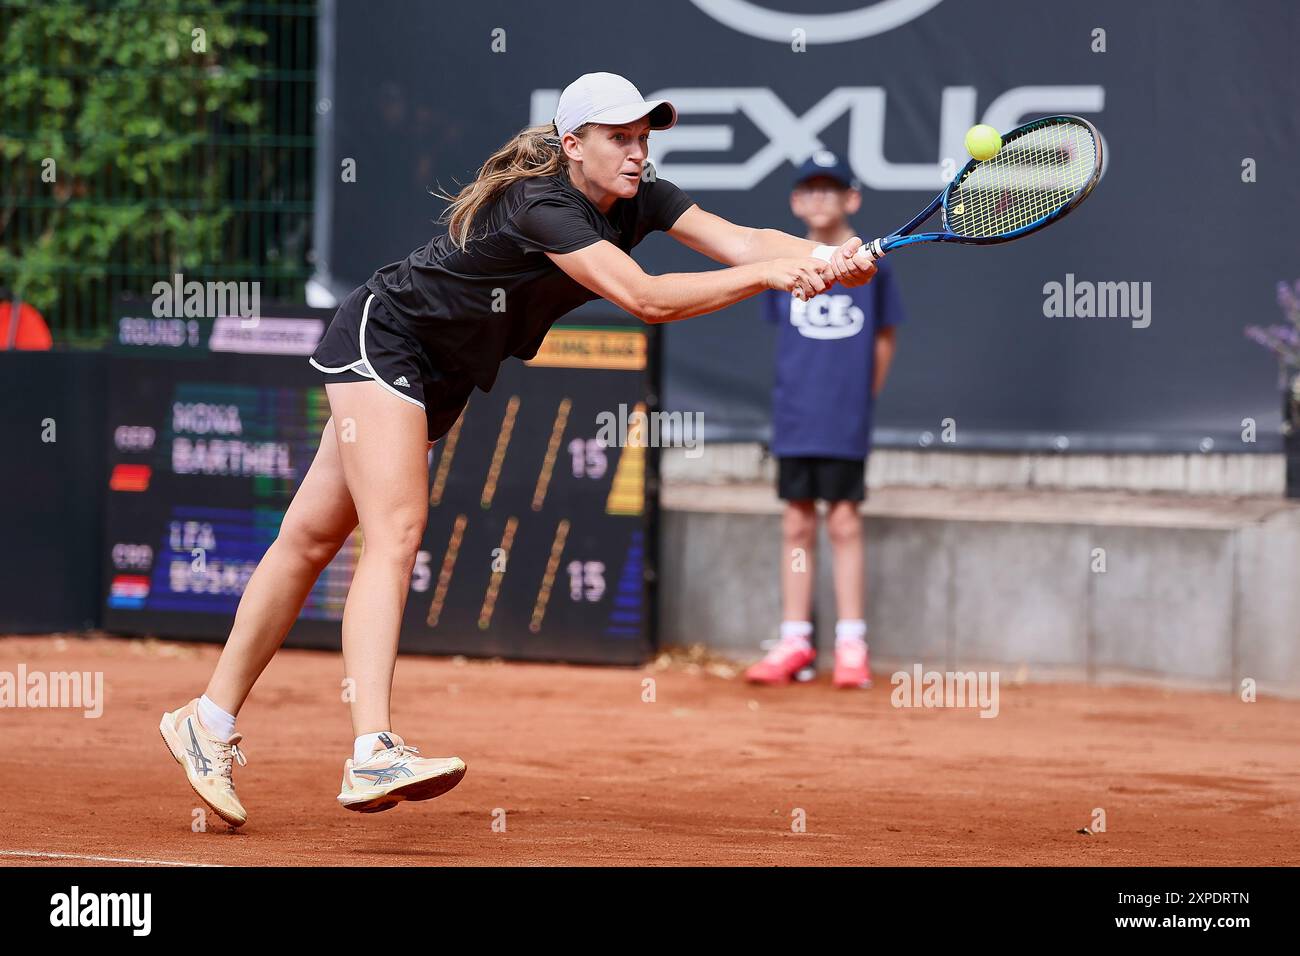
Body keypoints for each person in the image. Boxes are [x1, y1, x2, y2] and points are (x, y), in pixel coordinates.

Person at [159, 73, 879, 827]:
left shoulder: (646, 196)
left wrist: (831, 255)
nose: (637, 155)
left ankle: (204, 724)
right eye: (619, 139)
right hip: (387, 338)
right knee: (397, 531)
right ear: (573, 146)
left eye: (643, 139)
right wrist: (770, 276)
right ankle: (372, 745)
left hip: (440, 375)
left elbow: (747, 240)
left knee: (308, 540)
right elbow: (647, 298)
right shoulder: (543, 205)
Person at [744, 151, 904, 690]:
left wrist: (859, 399)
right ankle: (794, 641)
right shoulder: (792, 266)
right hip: (794, 415)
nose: (818, 199)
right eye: (808, 190)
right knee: (796, 522)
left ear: (851, 199)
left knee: (843, 521)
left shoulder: (870, 268)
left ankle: (852, 644)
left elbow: (884, 337)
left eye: (829, 190)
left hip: (844, 417)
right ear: (794, 202)